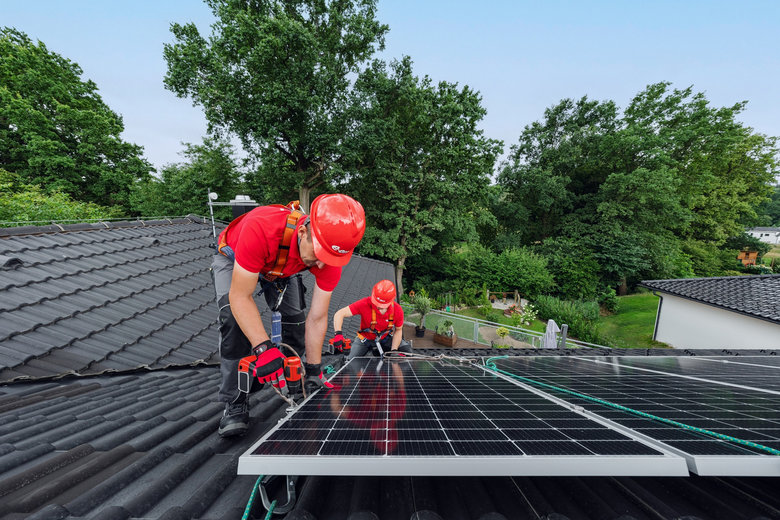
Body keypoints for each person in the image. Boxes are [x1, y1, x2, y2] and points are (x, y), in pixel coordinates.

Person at [213, 194, 365, 437]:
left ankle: (291, 383)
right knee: (233, 320)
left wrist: (314, 371)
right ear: (303, 232)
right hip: (235, 258)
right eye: (318, 255)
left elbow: (317, 317)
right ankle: (235, 402)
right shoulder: (261, 228)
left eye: (329, 259)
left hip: (282, 268)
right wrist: (263, 349)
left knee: (295, 322)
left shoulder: (330, 258)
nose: (322, 265)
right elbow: (240, 297)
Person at [331, 279, 412, 358]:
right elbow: (339, 314)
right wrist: (338, 334)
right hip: (365, 340)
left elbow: (398, 330)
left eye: (382, 305)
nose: (378, 306)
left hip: (386, 339)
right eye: (377, 303)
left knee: (407, 352)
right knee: (349, 361)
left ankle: (382, 351)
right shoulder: (365, 304)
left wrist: (394, 350)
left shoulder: (397, 310)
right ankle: (374, 351)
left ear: (391, 300)